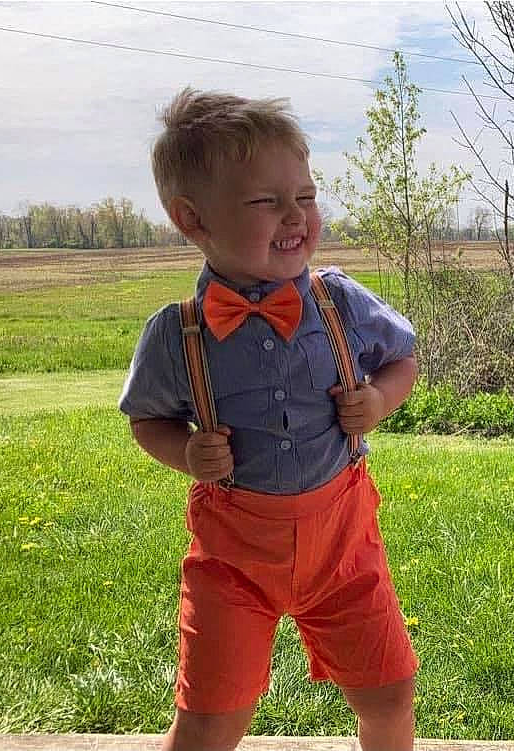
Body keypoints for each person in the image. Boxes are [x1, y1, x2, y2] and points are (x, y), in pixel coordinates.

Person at [120, 88, 418, 751]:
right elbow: (147, 420)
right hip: (234, 559)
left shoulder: (338, 301)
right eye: (267, 201)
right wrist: (186, 452)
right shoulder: (179, 333)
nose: (295, 216)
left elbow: (402, 359)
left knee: (390, 690)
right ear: (192, 218)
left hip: (343, 547)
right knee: (208, 719)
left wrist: (380, 400)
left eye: (305, 197)